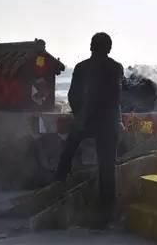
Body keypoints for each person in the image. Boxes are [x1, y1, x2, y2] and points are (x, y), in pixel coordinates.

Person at [55, 32, 124, 227]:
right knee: (107, 167)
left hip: (85, 119)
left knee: (67, 153)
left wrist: (80, 115)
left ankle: (57, 188)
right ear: (109, 48)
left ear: (91, 47)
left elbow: (72, 96)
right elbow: (117, 97)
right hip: (108, 123)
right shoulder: (116, 68)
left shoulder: (81, 67)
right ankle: (106, 213)